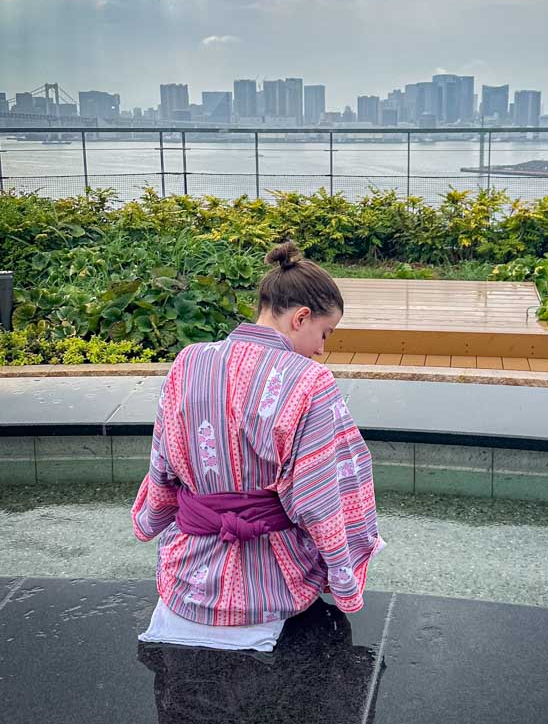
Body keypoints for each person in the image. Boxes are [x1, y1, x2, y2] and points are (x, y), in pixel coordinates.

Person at [132, 240, 384, 651]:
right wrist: (343, 573)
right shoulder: (310, 381)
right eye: (325, 333)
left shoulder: (189, 360)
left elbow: (163, 464)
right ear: (301, 317)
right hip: (273, 586)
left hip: (187, 577)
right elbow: (320, 497)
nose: (322, 349)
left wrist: (152, 517)